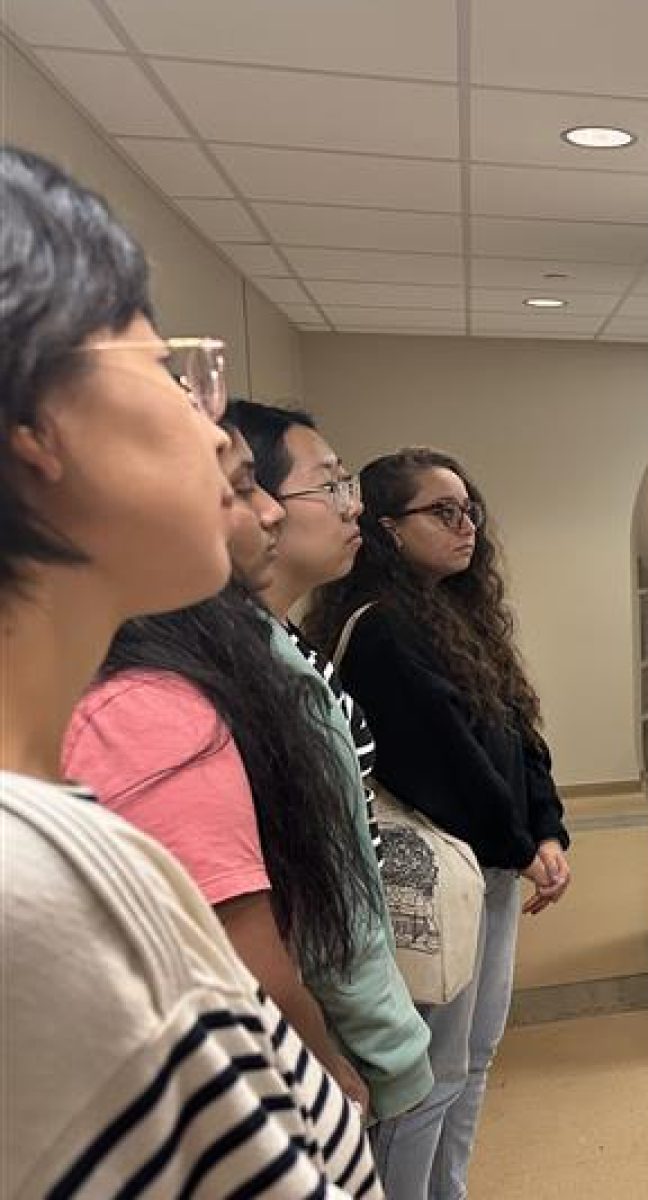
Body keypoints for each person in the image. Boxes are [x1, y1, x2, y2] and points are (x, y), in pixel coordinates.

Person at [0, 143, 379, 1195]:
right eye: (164, 371)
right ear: (34, 418)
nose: (207, 422)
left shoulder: (52, 829)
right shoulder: (30, 891)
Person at [61, 422, 433, 1124]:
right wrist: (349, 1065)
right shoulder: (152, 710)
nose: (266, 510)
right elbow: (256, 947)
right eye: (239, 488)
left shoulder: (229, 656)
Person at [307, 448, 571, 1199]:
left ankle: (448, 1188)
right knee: (431, 1068)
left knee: (477, 1053)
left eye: (470, 511)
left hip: (490, 864)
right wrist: (522, 847)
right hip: (441, 872)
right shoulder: (384, 630)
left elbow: (520, 735)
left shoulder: (459, 616)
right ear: (387, 530)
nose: (466, 528)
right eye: (442, 512)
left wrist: (546, 830)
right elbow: (447, 760)